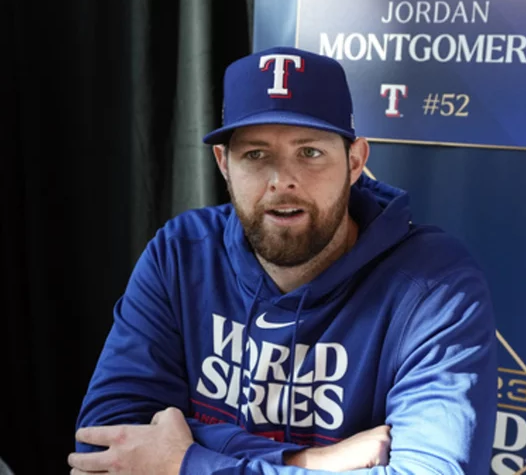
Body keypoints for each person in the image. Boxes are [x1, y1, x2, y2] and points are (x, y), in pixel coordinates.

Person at [69, 46, 498, 475]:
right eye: (256, 155)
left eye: (309, 152)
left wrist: (188, 463)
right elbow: (104, 444)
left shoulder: (434, 286)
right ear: (224, 164)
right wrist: (308, 460)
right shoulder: (181, 254)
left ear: (354, 162)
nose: (282, 181)